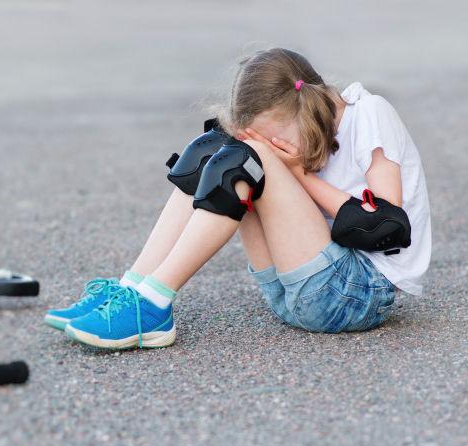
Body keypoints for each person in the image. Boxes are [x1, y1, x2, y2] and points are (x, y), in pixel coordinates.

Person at [44, 47, 431, 349]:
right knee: (216, 150)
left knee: (247, 161)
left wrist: (298, 174)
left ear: (304, 108)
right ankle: (134, 288)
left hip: (352, 295)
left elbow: (386, 226)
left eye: (276, 138)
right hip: (290, 292)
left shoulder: (370, 114)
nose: (276, 149)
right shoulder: (304, 127)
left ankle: (153, 302)